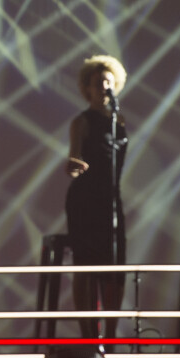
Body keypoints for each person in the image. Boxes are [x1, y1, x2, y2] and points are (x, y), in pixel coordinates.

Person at [65, 55, 128, 339]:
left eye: (108, 81)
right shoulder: (82, 121)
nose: (104, 86)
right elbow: (74, 157)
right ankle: (89, 335)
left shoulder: (119, 121)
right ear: (88, 88)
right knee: (86, 266)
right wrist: (73, 166)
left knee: (116, 265)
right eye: (98, 82)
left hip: (111, 200)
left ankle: (111, 337)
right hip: (86, 202)